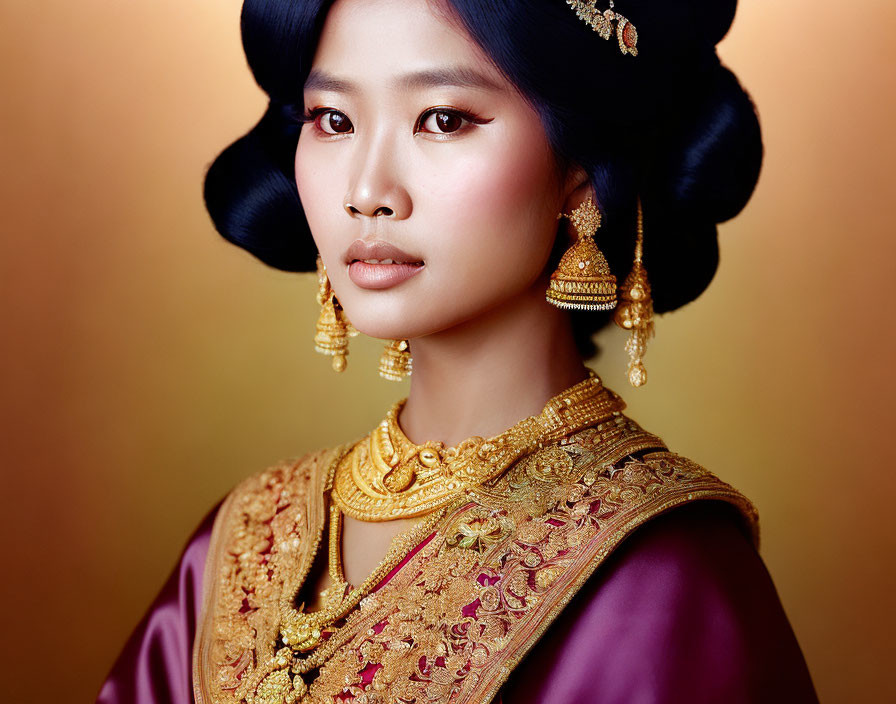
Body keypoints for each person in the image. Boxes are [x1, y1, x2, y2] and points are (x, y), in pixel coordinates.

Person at [98, 0, 819, 701]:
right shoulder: (240, 539)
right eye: (333, 120)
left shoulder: (666, 577)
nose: (368, 190)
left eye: (442, 120)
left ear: (577, 162)